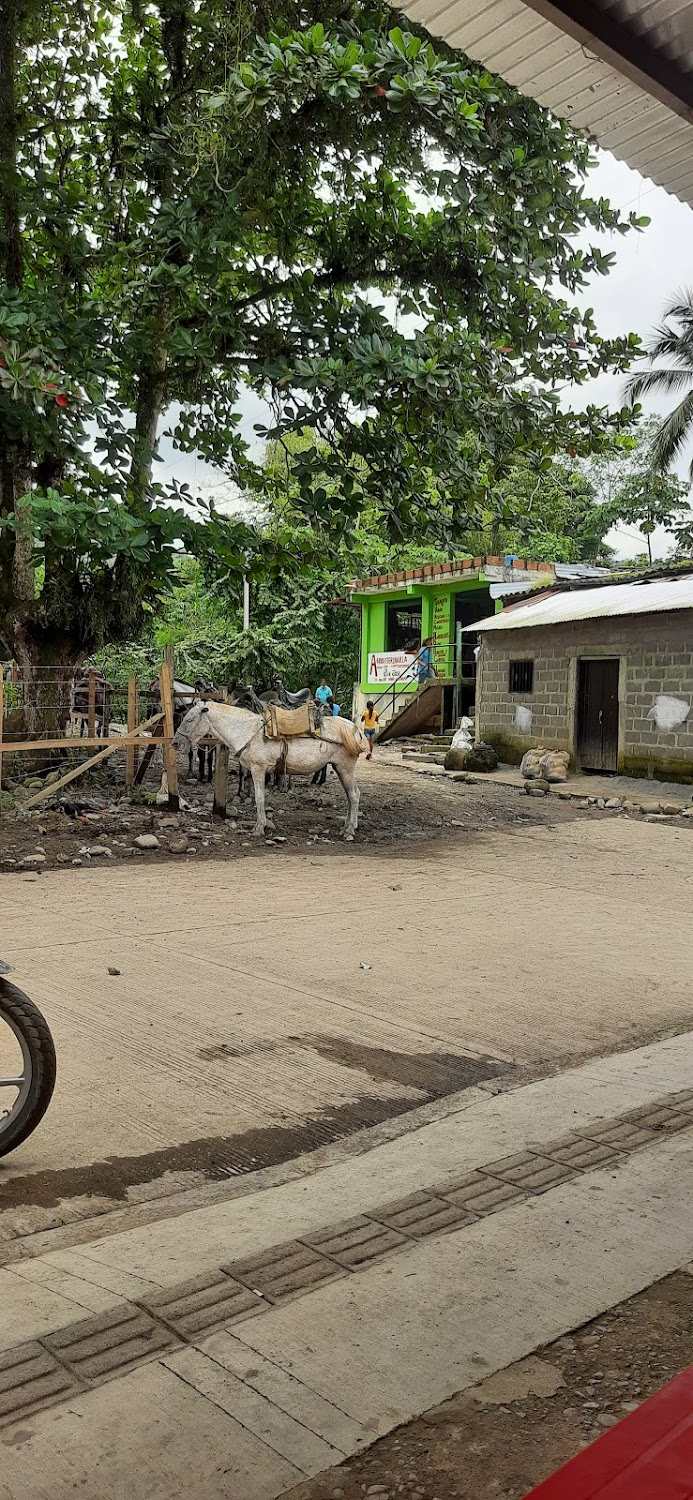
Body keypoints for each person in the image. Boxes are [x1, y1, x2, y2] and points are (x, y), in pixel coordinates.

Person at [312, 696, 340, 785]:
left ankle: (318, 778)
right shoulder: (336, 708)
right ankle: (320, 778)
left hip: (326, 732)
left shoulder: (324, 708)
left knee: (323, 756)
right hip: (334, 731)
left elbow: (321, 721)